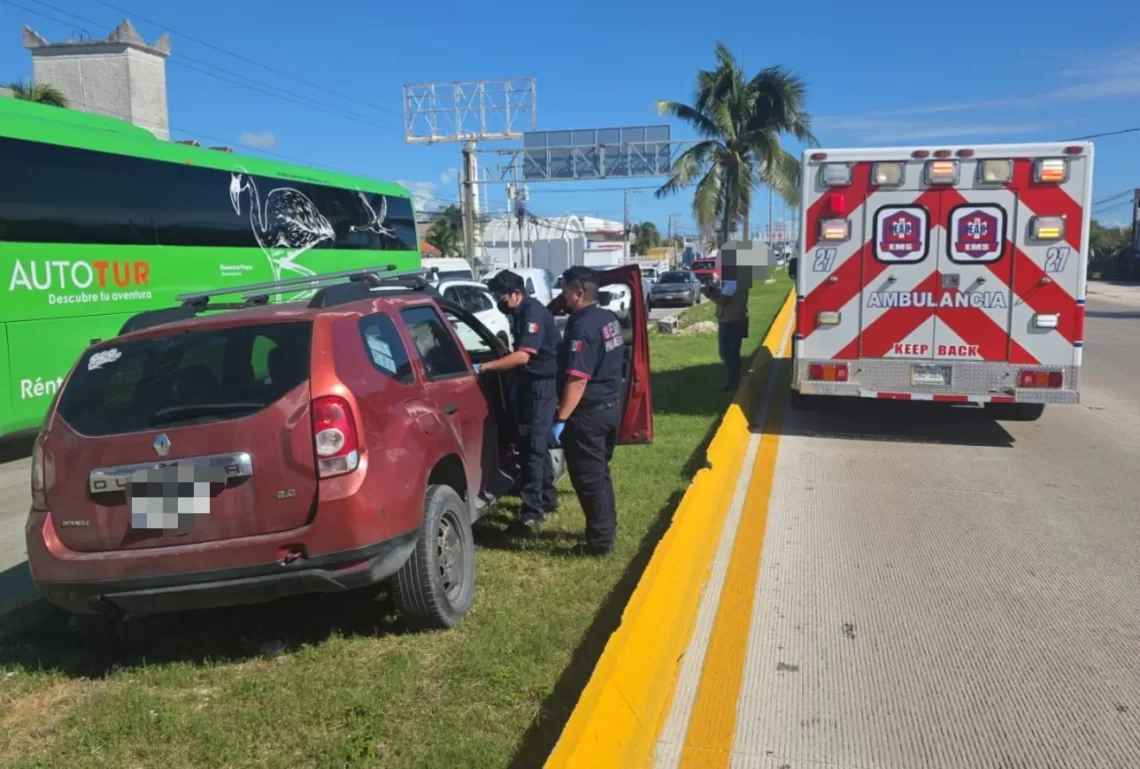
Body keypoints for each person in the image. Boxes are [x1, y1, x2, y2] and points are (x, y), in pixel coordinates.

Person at [552, 266, 625, 556]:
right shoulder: (607, 318)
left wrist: (560, 419)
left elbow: (577, 380)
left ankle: (600, 543)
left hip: (588, 415)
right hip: (609, 408)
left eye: (566, 290)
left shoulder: (582, 327)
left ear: (579, 293)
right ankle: (606, 529)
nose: (562, 295)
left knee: (590, 480)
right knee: (600, 475)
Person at [479, 270, 561, 527]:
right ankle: (547, 497)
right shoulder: (520, 312)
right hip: (530, 383)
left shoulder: (532, 314)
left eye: (501, 297)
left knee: (531, 448)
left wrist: (485, 368)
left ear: (516, 294)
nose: (499, 303)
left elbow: (524, 356)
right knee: (537, 444)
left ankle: (532, 511)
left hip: (539, 386)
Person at [705, 260, 752, 392]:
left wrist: (709, 294)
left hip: (730, 322)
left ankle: (733, 382)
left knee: (726, 353)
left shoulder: (732, 282)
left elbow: (723, 300)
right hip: (739, 319)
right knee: (734, 352)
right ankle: (735, 379)